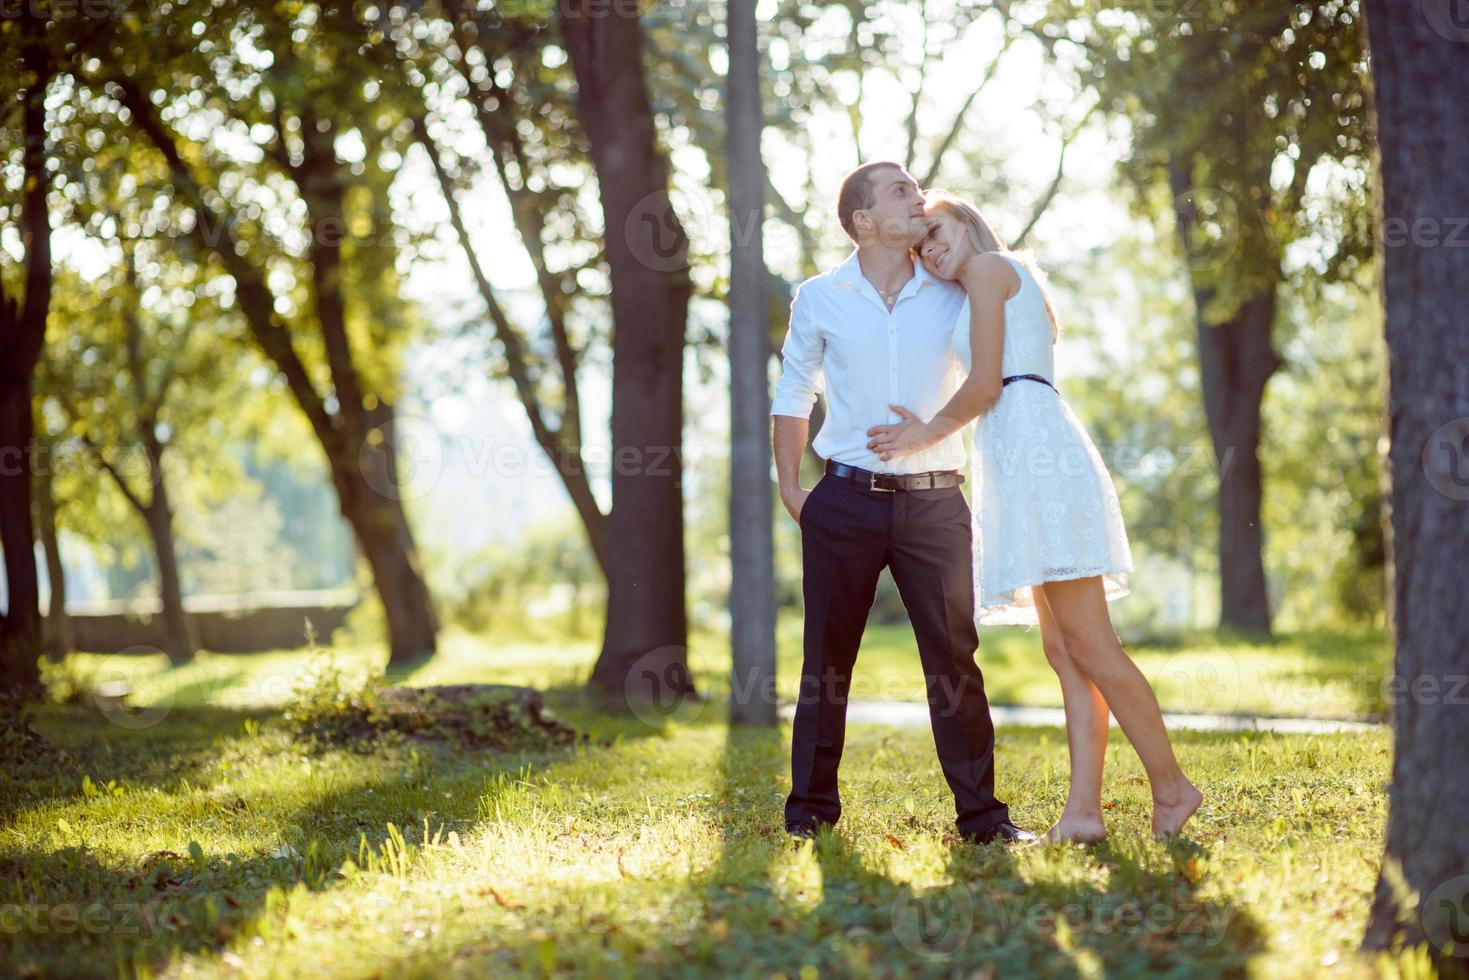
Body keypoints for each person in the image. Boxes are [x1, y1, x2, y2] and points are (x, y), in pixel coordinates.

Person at [867, 191, 1203, 841]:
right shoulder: (978, 291)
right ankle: (1082, 815)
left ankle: (1171, 789)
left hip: (1039, 457)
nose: (929, 248)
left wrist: (923, 434)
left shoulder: (993, 268)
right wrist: (929, 424)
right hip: (1017, 457)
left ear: (967, 222)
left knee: (1091, 645)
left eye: (935, 231)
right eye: (919, 247)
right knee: (1063, 649)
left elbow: (987, 384)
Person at [771, 162, 1032, 845]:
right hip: (844, 498)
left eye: (915, 188)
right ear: (862, 220)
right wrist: (792, 488)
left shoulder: (954, 289)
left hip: (936, 504)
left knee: (954, 663)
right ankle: (809, 815)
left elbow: (991, 374)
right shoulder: (819, 297)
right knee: (824, 665)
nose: (916, 197)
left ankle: (982, 818)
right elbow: (793, 392)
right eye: (898, 191)